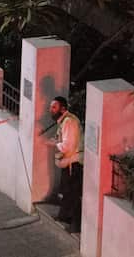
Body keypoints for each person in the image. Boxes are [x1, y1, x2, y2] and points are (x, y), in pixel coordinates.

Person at [51, 95, 83, 233]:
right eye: (51, 107)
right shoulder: (65, 121)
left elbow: (67, 146)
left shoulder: (69, 122)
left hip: (73, 163)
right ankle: (64, 216)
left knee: (73, 193)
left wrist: (54, 144)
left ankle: (75, 224)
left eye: (54, 107)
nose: (51, 110)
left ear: (63, 109)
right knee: (67, 191)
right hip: (69, 163)